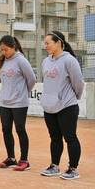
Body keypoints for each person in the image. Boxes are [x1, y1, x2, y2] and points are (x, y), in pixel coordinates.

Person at [40, 31, 84, 180]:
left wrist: (73, 98)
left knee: (70, 137)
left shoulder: (69, 60)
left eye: (47, 43)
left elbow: (78, 82)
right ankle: (54, 166)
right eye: (44, 43)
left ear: (58, 43)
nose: (45, 46)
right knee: (54, 138)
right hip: (49, 107)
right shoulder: (45, 61)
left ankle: (73, 168)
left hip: (67, 106)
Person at [0, 35, 36, 171]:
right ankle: (11, 158)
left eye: (6, 50)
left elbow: (31, 79)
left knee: (20, 129)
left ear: (14, 47)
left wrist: (23, 92)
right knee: (6, 129)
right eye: (1, 50)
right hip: (5, 103)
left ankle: (24, 160)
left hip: (19, 102)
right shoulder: (3, 61)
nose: (3, 52)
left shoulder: (21, 60)